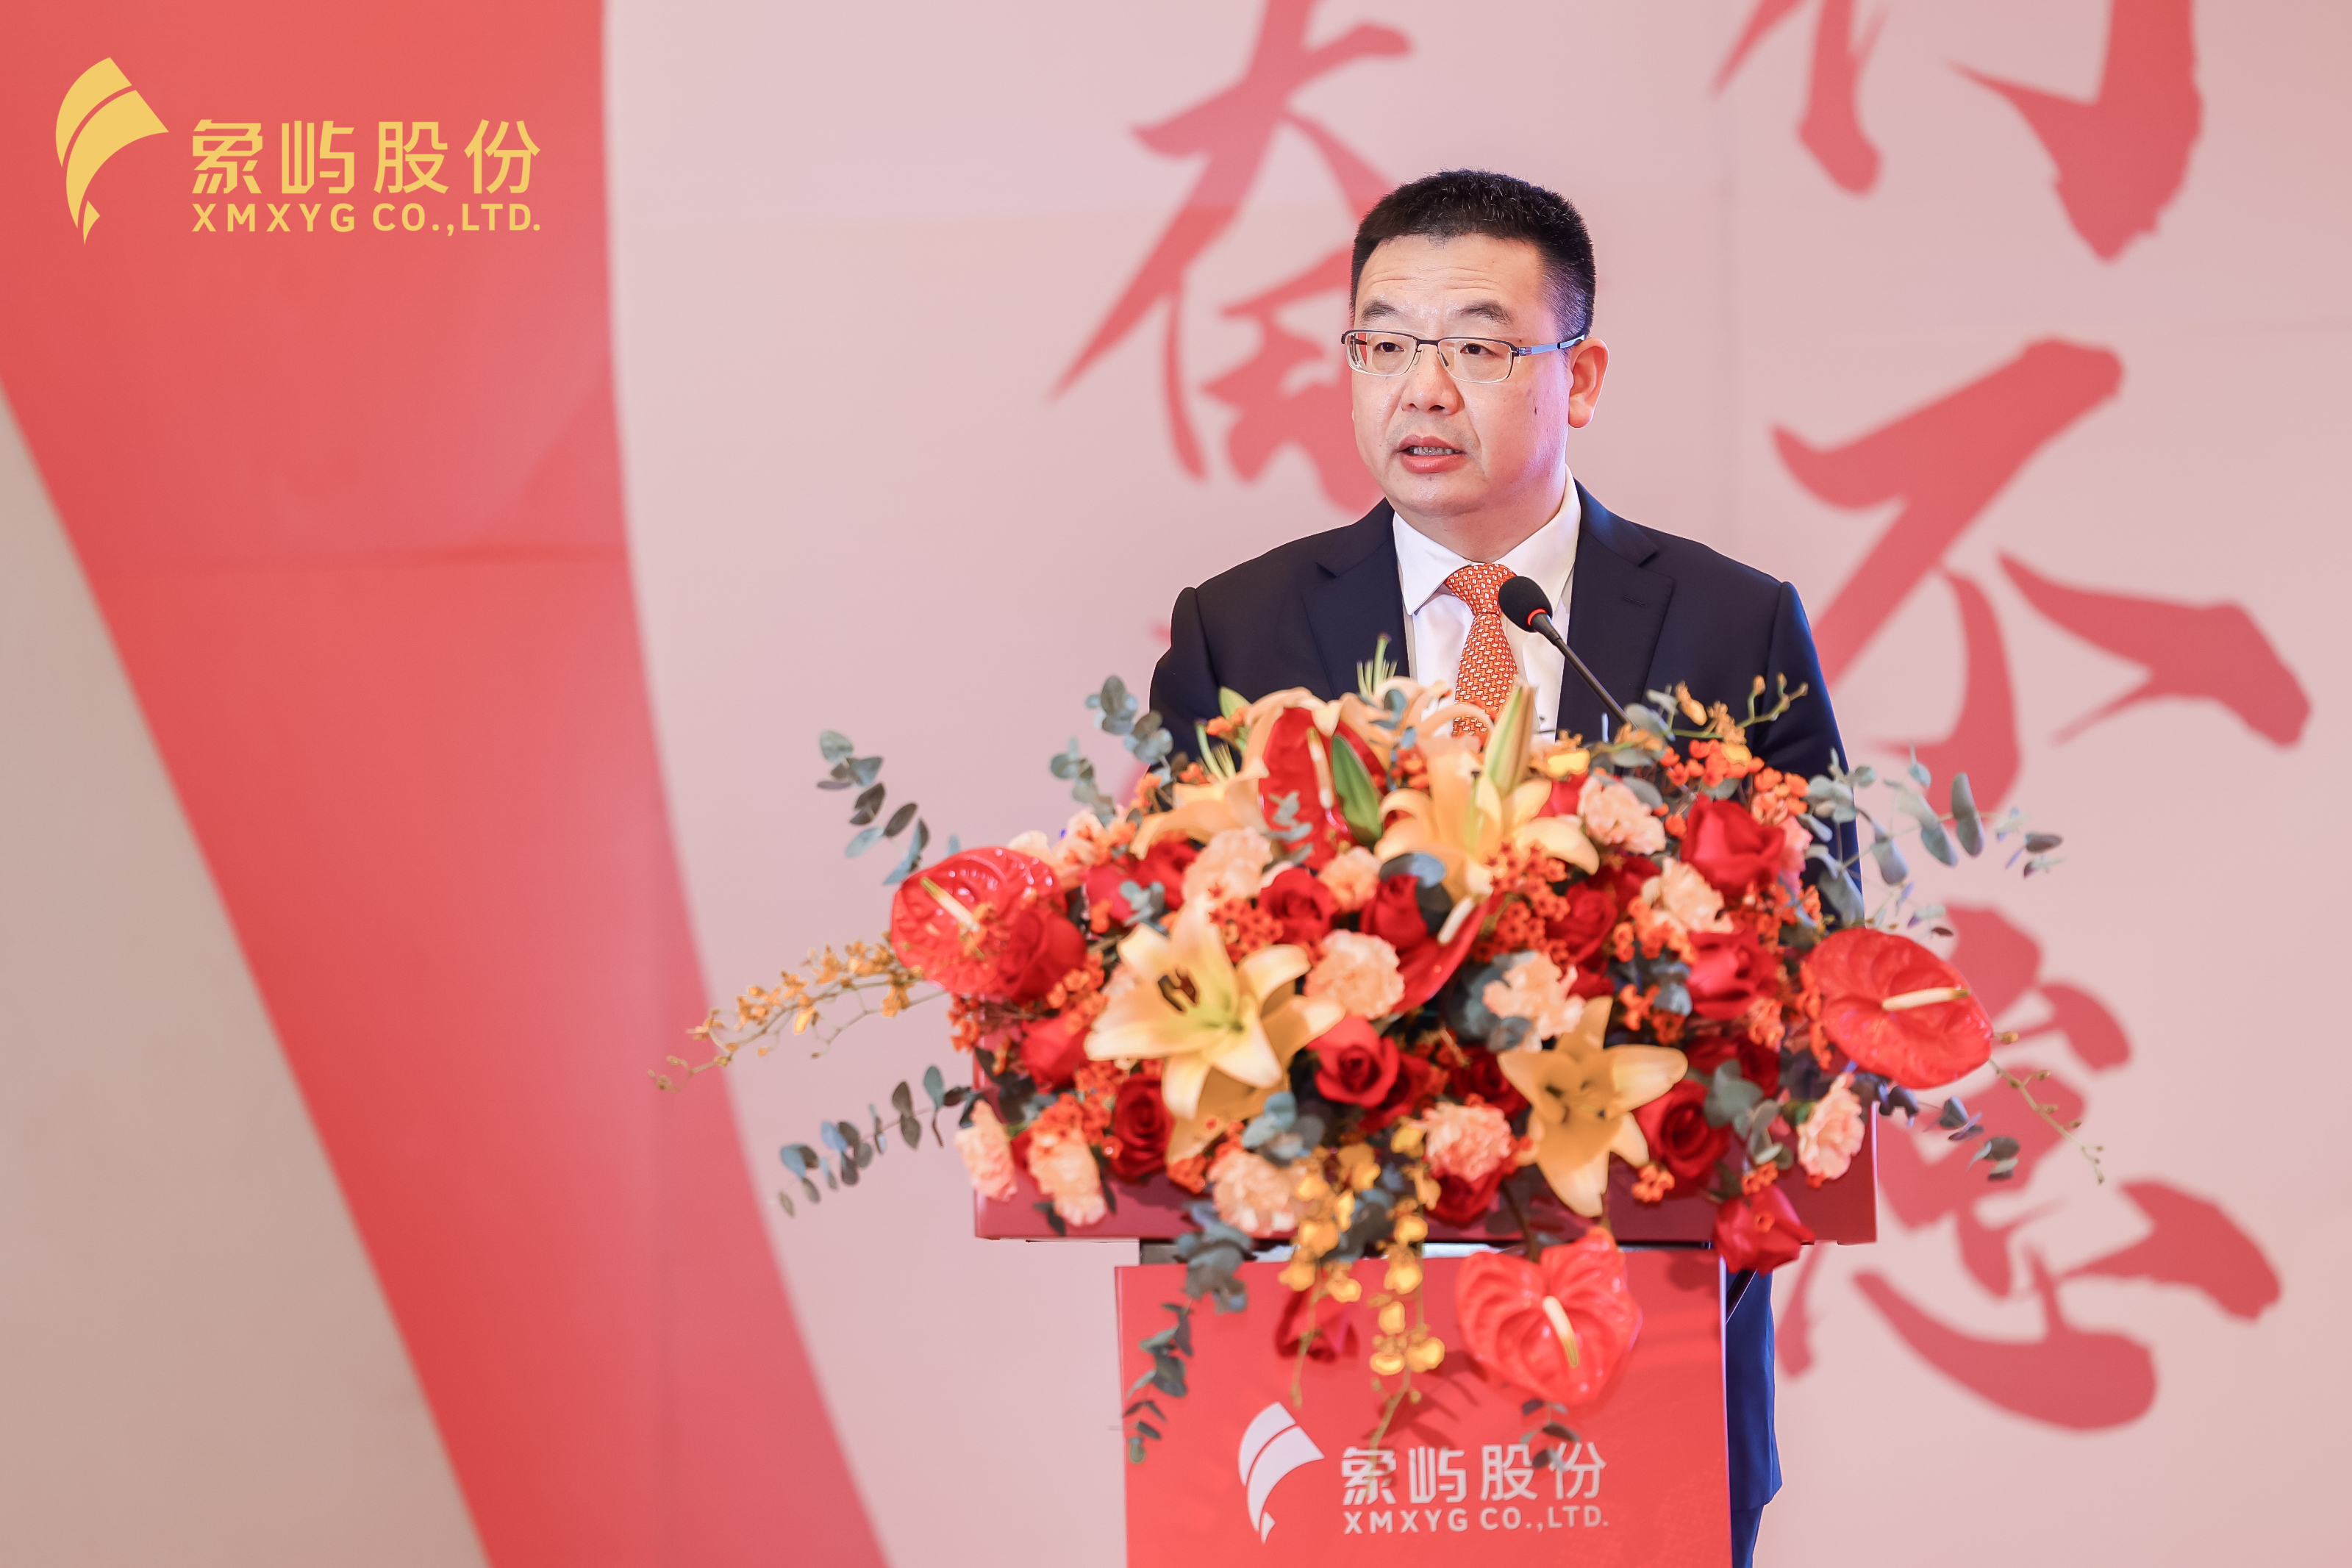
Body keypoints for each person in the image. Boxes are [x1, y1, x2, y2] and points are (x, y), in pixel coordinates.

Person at [1148, 168, 1844, 1568]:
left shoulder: (1730, 623)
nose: (1421, 388)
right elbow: (1172, 959)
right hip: (1328, 1363)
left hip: (1645, 1358)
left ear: (1579, 376)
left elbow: (1821, 950)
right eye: (1383, 343)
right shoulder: (1242, 630)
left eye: (1477, 346)